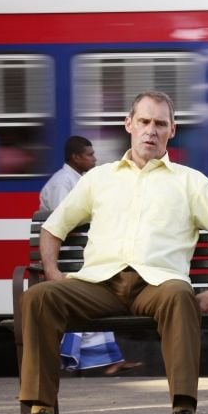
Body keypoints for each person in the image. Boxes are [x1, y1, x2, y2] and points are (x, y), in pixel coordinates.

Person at [11, 91, 208, 414]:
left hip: (157, 286)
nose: (151, 131)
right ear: (129, 124)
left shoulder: (191, 181)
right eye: (144, 122)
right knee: (38, 297)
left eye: (160, 124)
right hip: (99, 284)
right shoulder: (98, 179)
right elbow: (54, 226)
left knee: (180, 294)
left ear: (172, 131)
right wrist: (53, 271)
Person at [39, 135, 142, 377]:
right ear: (76, 158)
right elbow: (63, 223)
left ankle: (109, 359)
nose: (95, 159)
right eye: (90, 155)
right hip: (67, 258)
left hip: (76, 256)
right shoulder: (63, 183)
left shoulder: (76, 179)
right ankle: (103, 359)